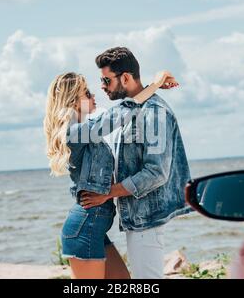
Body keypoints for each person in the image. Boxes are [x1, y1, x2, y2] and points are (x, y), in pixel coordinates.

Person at [44, 71, 178, 279]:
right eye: (86, 93)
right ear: (73, 101)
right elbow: (121, 113)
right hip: (85, 227)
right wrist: (154, 84)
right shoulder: (76, 133)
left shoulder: (85, 132)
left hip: (94, 228)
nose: (93, 96)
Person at [80, 47, 192, 279]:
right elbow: (89, 129)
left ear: (126, 78)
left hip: (147, 219)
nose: (102, 86)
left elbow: (155, 172)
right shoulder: (130, 110)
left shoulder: (155, 113)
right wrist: (155, 82)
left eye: (105, 79)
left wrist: (107, 194)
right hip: (137, 218)